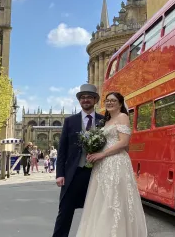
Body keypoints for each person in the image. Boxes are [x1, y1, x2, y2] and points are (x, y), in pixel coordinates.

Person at [75, 91, 147, 237]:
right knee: (102, 201)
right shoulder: (105, 122)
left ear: (120, 103)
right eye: (107, 100)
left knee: (115, 200)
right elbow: (105, 142)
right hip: (102, 165)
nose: (109, 102)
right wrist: (93, 150)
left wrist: (102, 154)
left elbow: (124, 142)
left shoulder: (123, 117)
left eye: (113, 100)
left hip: (116, 163)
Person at [52, 84, 105, 237]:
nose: (85, 100)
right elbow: (62, 150)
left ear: (95, 100)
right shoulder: (70, 121)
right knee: (65, 212)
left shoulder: (103, 121)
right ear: (79, 101)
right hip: (72, 174)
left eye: (89, 97)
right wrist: (60, 173)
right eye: (82, 97)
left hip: (96, 173)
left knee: (95, 212)